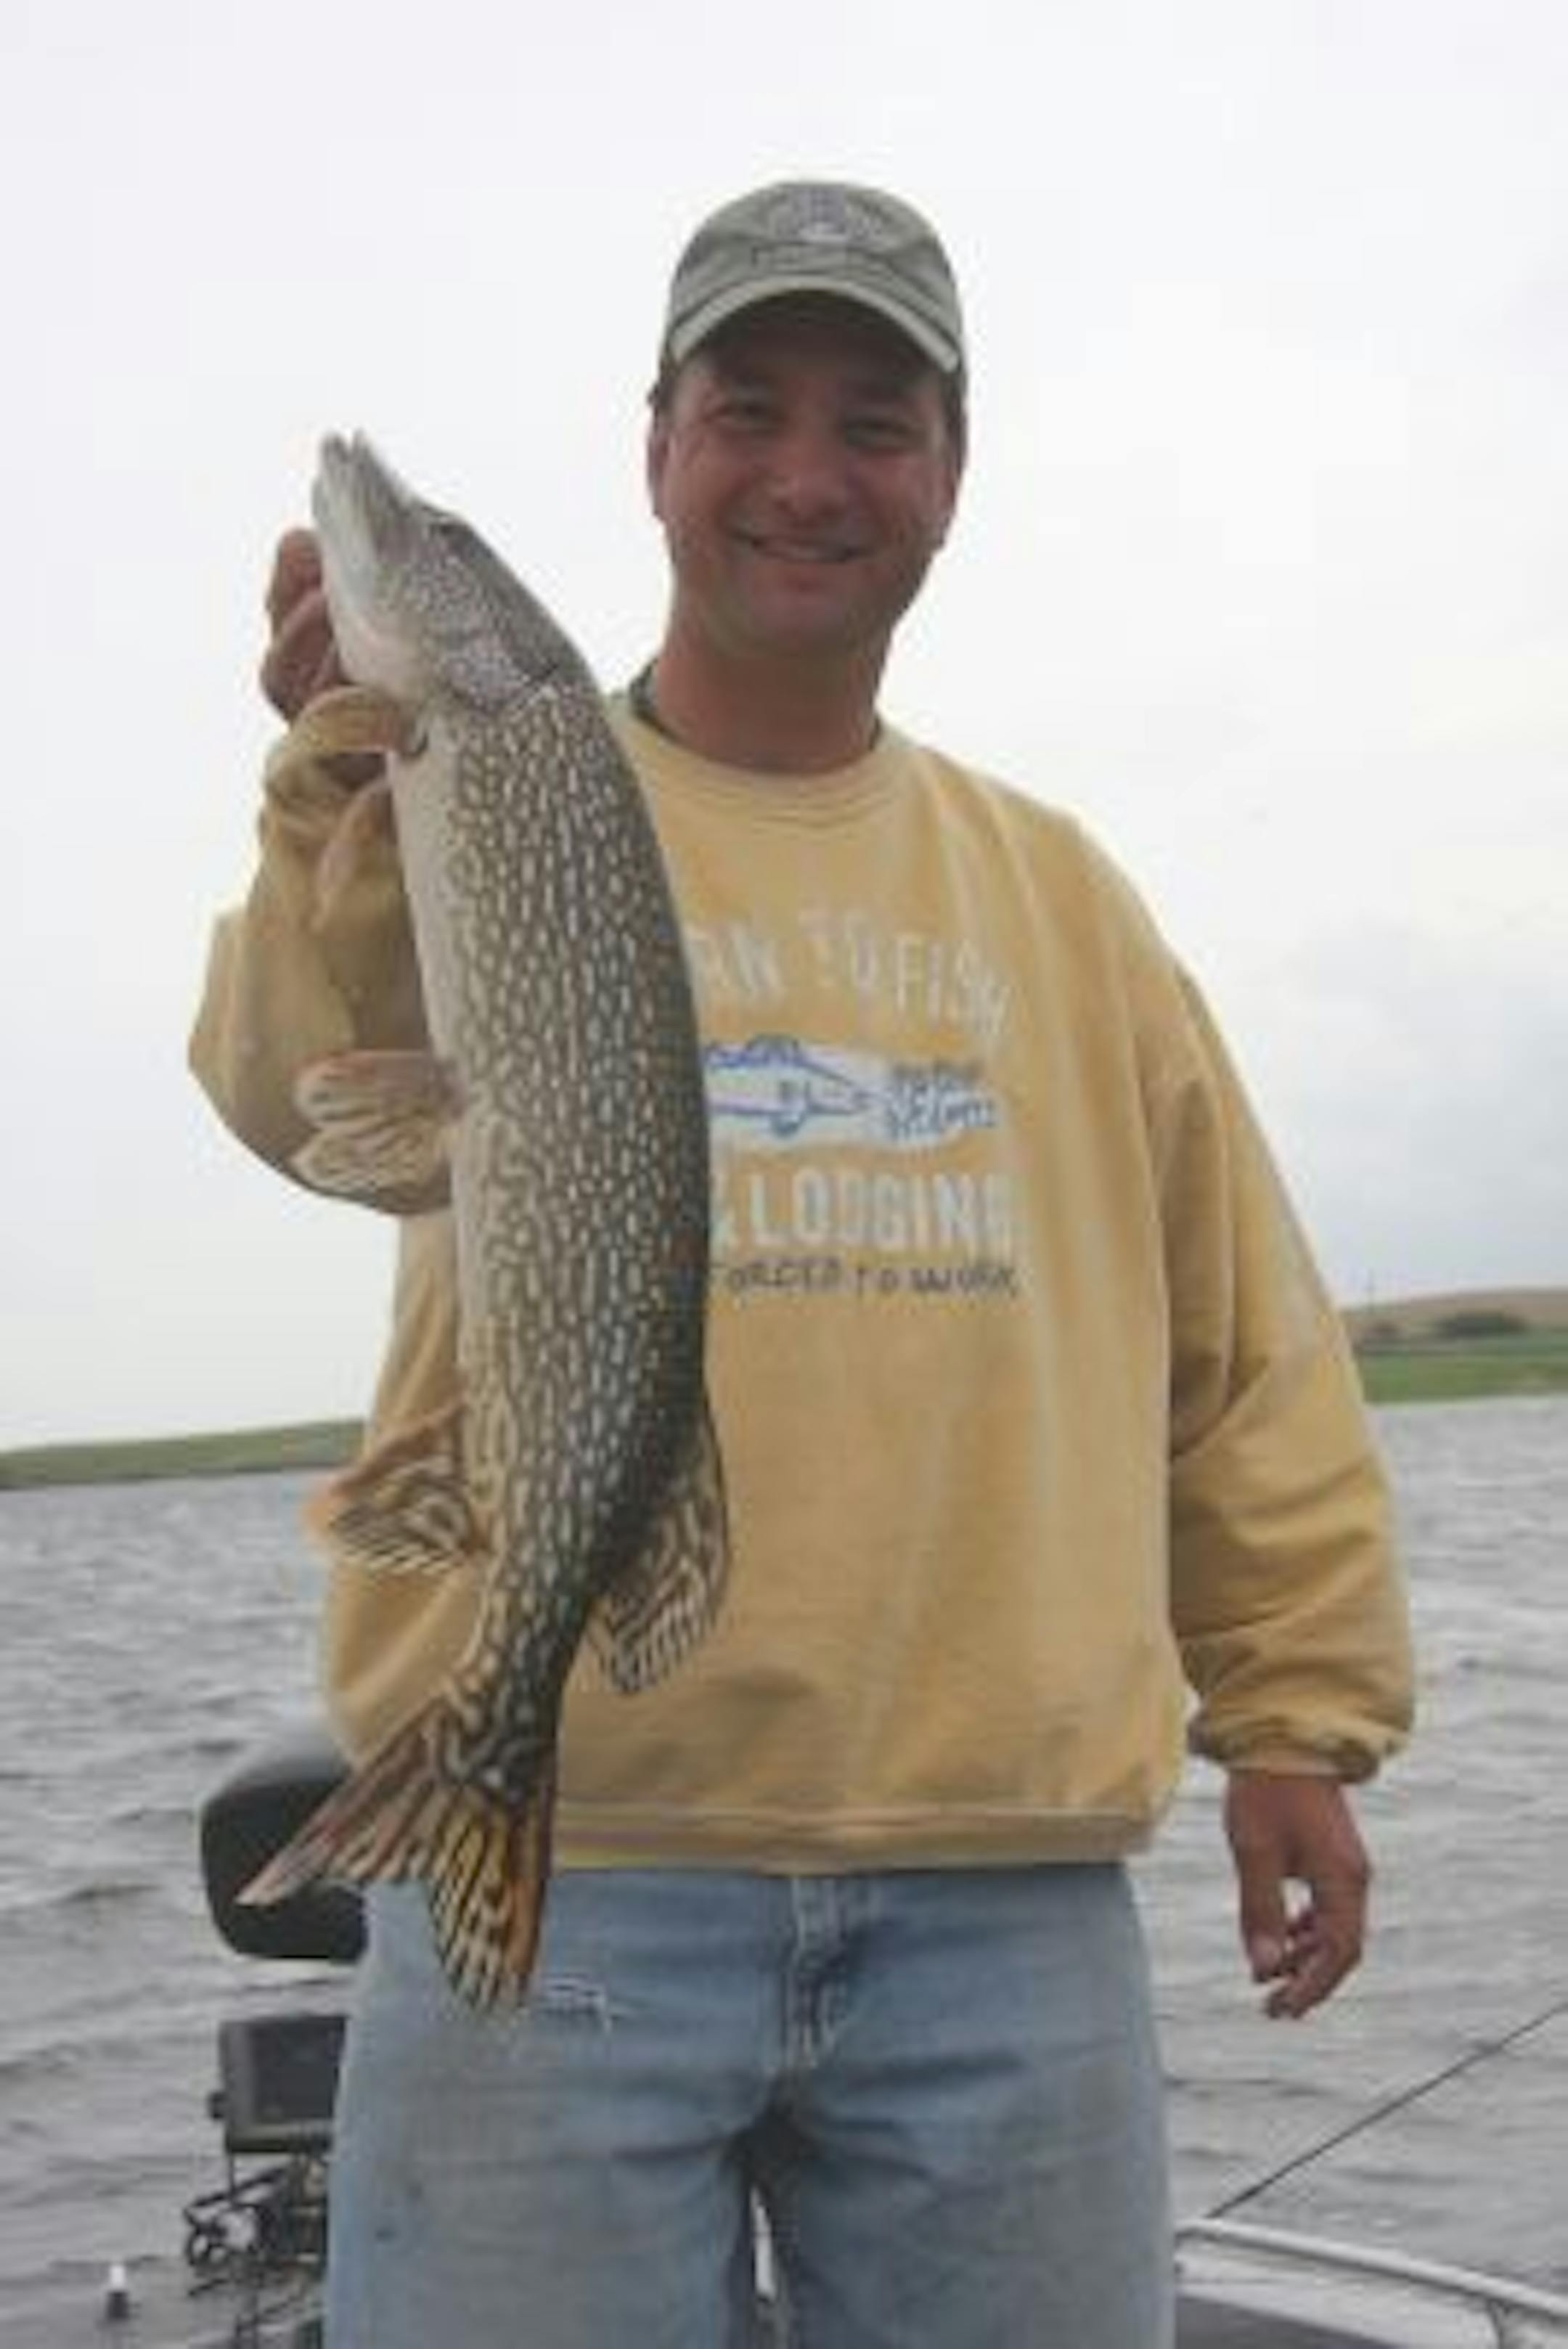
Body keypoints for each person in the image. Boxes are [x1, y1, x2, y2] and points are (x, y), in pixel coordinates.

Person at [191, 180, 1413, 2349]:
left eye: (878, 419)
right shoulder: (453, 798)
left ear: (952, 471)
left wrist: (1294, 1717)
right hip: (564, 1869)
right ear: (656, 444)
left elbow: (1242, 1347)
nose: (806, 474)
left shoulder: (1064, 896)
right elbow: (300, 1097)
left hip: (1004, 1894)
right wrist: (324, 783)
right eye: (747, 407)